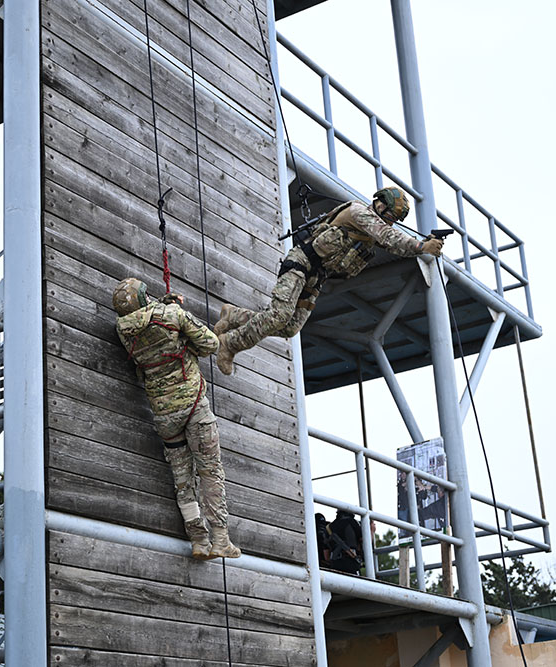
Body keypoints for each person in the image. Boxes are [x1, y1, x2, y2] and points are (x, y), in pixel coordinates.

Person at [214, 186, 445, 374]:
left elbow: (393, 243)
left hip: (316, 278)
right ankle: (230, 344)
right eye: (391, 217)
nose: (391, 223)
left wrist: (423, 245)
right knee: (279, 315)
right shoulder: (359, 213)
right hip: (301, 263)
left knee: (290, 328)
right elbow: (389, 237)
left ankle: (233, 316)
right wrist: (422, 246)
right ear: (380, 205)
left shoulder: (374, 229)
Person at [113, 277, 241, 560]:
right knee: (210, 471)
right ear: (145, 297)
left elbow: (150, 327)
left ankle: (198, 539)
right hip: (194, 406)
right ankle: (220, 539)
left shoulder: (123, 331)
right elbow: (209, 344)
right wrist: (180, 315)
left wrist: (167, 310)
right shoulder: (173, 315)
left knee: (183, 479)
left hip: (164, 414)